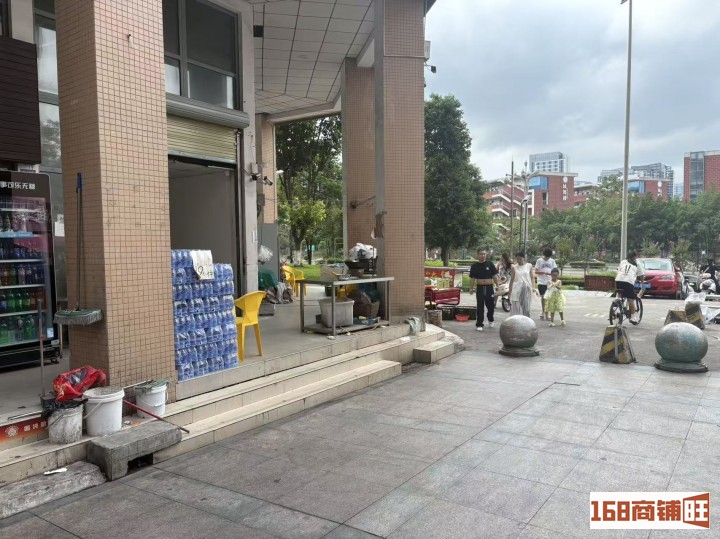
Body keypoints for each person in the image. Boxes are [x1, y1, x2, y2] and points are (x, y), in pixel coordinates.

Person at [469, 249, 499, 331]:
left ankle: (490, 319)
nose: (483, 256)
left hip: (489, 287)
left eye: (484, 254)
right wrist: (471, 288)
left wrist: (497, 285)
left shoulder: (490, 264)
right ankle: (479, 324)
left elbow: (494, 276)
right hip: (480, 288)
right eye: (481, 254)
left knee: (491, 306)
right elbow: (472, 278)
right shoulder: (474, 266)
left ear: (486, 255)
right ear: (477, 255)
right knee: (480, 306)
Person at [615, 251, 644, 324]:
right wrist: (642, 283)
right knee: (630, 299)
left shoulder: (623, 262)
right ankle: (633, 317)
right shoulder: (637, 263)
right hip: (629, 281)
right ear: (635, 257)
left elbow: (619, 271)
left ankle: (617, 309)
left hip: (618, 279)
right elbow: (641, 275)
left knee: (620, 294)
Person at [508, 251, 536, 317]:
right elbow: (512, 280)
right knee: (517, 309)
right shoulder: (514, 267)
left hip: (527, 289)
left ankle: (527, 321)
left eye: (520, 259)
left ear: (524, 258)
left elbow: (532, 277)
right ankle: (517, 322)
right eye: (517, 259)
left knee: (527, 309)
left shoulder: (529, 266)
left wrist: (533, 287)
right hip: (517, 289)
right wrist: (510, 292)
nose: (518, 261)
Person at [535, 248, 557, 320]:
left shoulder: (552, 261)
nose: (547, 258)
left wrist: (551, 274)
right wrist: (542, 272)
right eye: (546, 257)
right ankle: (543, 312)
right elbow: (536, 271)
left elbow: (555, 271)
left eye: (548, 257)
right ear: (544, 255)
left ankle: (548, 314)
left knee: (549, 298)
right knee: (544, 297)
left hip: (549, 281)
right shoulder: (539, 261)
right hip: (541, 281)